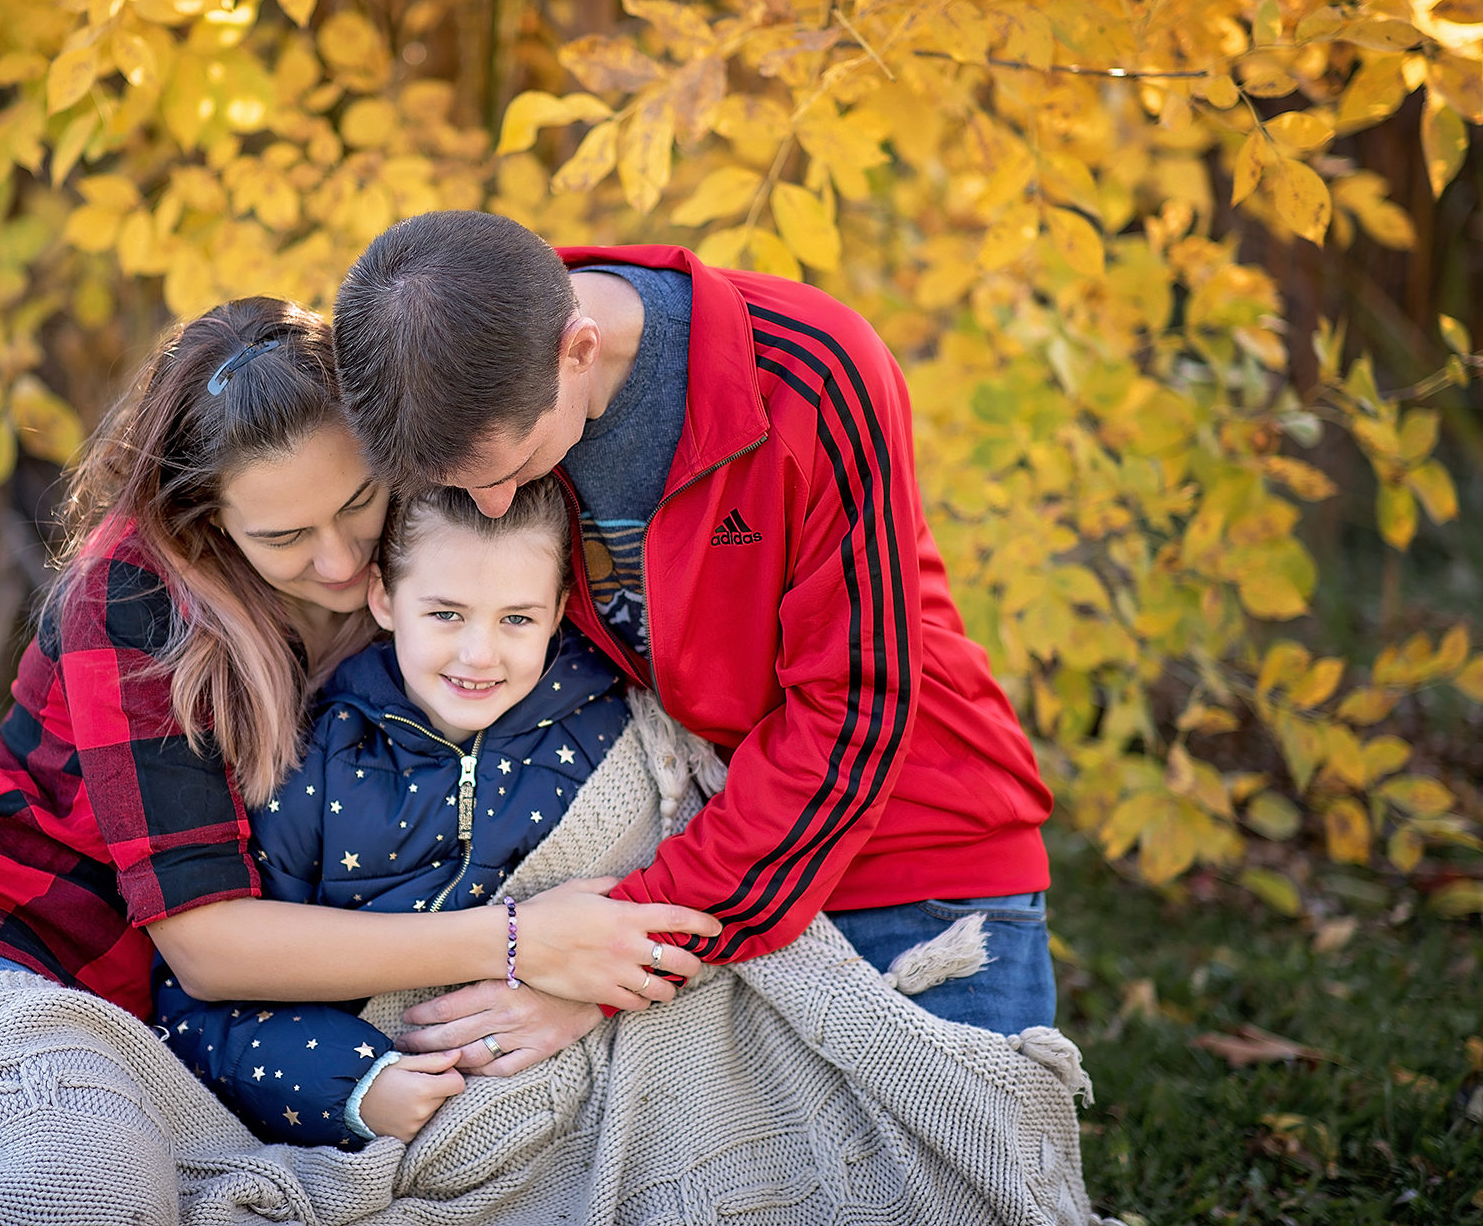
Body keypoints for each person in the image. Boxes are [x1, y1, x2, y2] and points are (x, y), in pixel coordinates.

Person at [0, 296, 721, 1126]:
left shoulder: (436, 559)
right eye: (283, 536)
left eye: (357, 504)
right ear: (207, 521)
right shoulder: (139, 595)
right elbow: (211, 946)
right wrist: (522, 944)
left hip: (124, 1020)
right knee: (57, 1165)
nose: (342, 560)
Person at [329, 211, 1057, 1057]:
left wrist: (626, 953)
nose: (492, 508)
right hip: (692, 860)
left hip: (914, 858)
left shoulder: (814, 372)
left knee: (971, 1178)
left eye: (514, 470)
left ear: (580, 349)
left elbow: (853, 712)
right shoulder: (448, 353)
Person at [158, 478, 627, 1148]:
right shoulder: (314, 760)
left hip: (593, 1100)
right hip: (407, 1109)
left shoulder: (608, 726)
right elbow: (200, 1007)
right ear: (384, 596)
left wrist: (587, 1001)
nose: (479, 655)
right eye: (445, 614)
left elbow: (674, 898)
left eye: (516, 618)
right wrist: (356, 1086)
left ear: (558, 610)